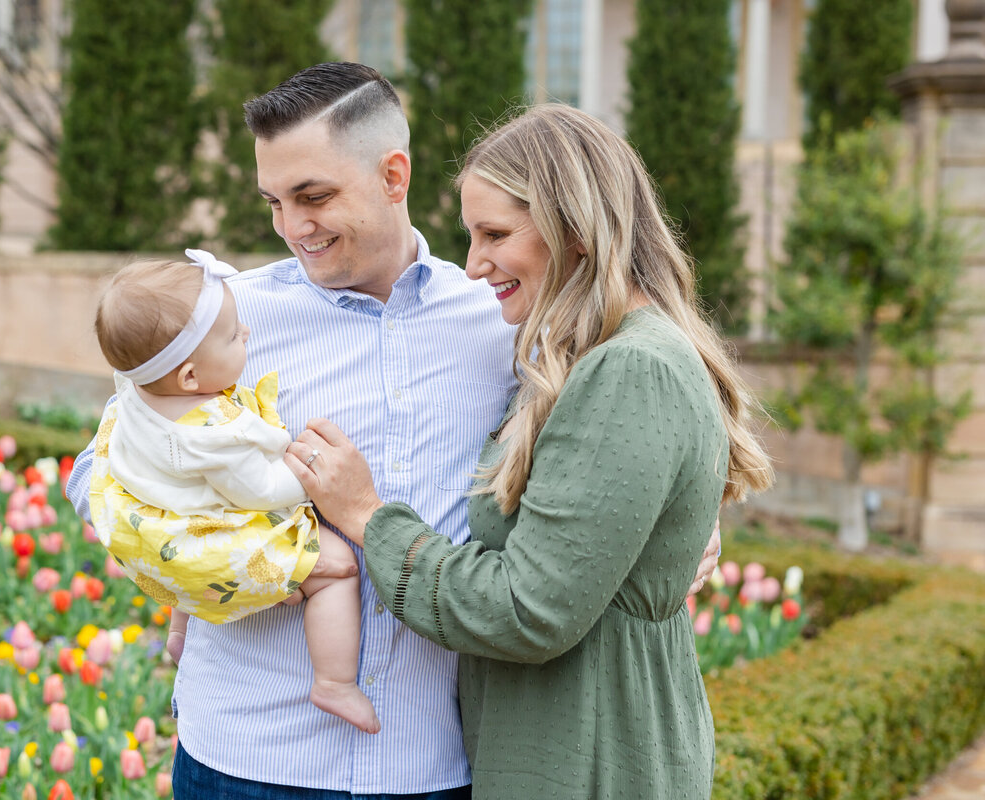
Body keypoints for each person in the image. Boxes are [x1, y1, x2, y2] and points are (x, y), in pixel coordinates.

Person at [66, 63, 720, 799]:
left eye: (313, 196)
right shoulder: (223, 324)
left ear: (393, 174)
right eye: (275, 201)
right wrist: (216, 555)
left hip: (434, 764)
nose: (292, 227)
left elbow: (614, 449)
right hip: (249, 759)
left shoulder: (506, 316)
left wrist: (691, 530)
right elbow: (99, 471)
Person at [283, 104, 774, 799]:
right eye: (470, 236)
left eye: (496, 234)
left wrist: (366, 516)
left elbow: (526, 610)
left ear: (574, 230)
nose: (476, 264)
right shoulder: (578, 358)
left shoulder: (628, 368)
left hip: (590, 757)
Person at [88, 249, 379, 734]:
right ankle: (334, 682)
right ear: (190, 377)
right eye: (231, 336)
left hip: (164, 535)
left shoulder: (137, 389)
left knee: (185, 547)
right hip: (216, 538)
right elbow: (262, 490)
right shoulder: (213, 435)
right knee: (337, 570)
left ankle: (180, 630)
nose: (246, 333)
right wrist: (311, 473)